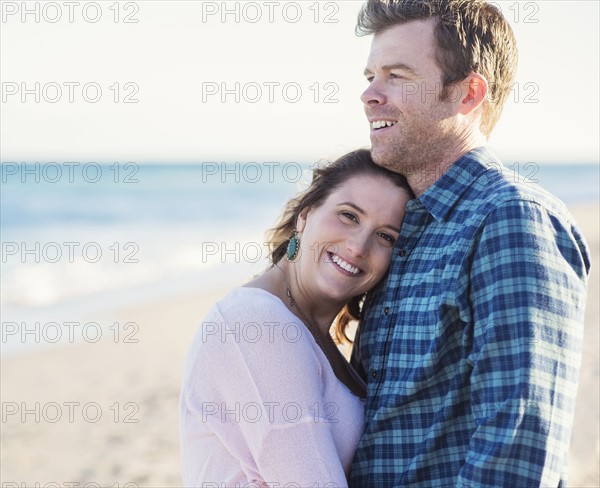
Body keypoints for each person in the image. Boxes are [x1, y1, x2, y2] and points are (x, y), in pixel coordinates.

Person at [349, 1, 591, 487]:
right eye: (371, 75)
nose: (369, 94)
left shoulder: (510, 219)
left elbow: (519, 444)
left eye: (397, 75)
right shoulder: (404, 226)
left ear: (467, 93)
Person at [179, 149, 414, 487]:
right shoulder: (257, 324)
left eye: (386, 236)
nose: (359, 246)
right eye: (349, 216)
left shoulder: (307, 330)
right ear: (305, 216)